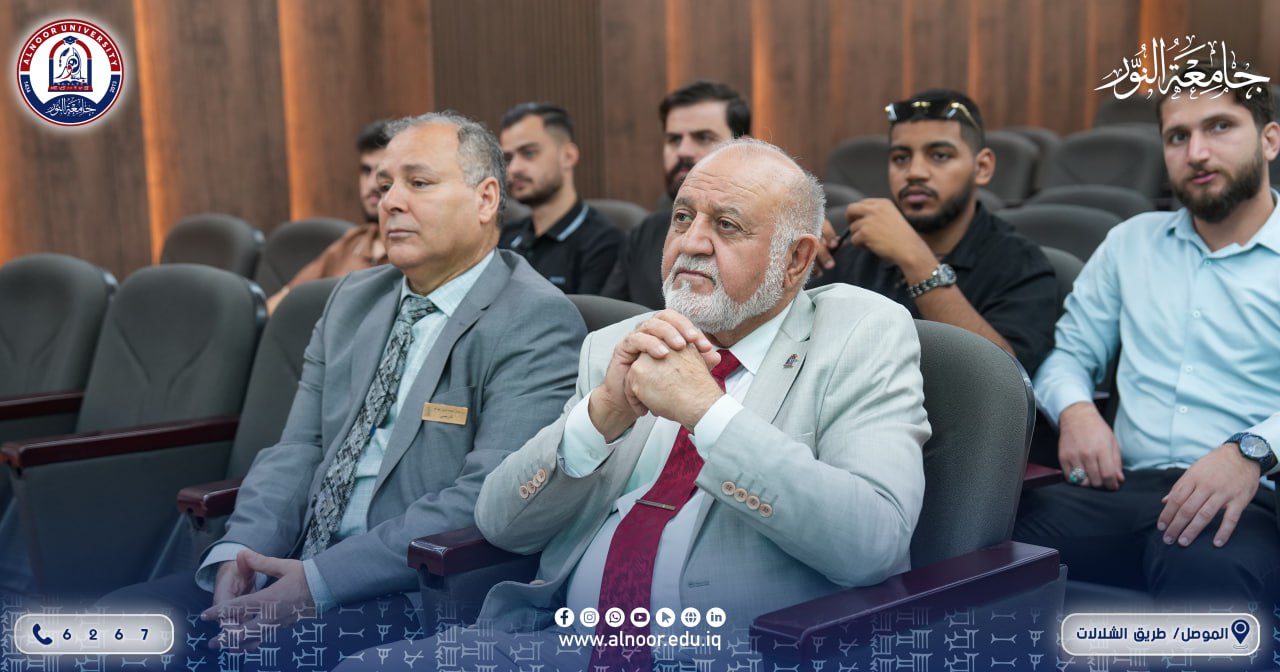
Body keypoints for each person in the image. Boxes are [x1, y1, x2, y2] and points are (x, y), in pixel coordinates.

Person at [340, 137, 929, 671]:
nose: (691, 242)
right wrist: (600, 417)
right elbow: (503, 524)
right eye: (683, 217)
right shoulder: (617, 346)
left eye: (727, 225)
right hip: (563, 644)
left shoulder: (859, 333)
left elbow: (872, 545)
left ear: (796, 259)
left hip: (735, 651)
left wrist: (708, 414)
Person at [101, 111, 586, 671]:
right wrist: (240, 554)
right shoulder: (353, 299)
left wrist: (317, 582)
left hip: (414, 592)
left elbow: (485, 499)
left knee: (262, 660)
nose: (390, 201)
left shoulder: (534, 319)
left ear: (485, 199)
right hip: (288, 562)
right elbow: (298, 448)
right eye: (385, 185)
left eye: (418, 183)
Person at [1015, 65, 1280, 605]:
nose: (1197, 153)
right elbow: (1068, 355)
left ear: (1269, 140)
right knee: (979, 538)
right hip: (1121, 488)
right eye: (1178, 136)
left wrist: (1251, 450)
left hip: (1249, 493)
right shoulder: (1130, 243)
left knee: (1203, 574)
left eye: (1220, 127)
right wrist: (1077, 412)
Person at [812, 89, 1057, 376]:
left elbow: (1005, 379)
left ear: (982, 167)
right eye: (901, 158)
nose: (915, 172)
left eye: (940, 155)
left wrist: (915, 260)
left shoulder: (1021, 263)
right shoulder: (856, 249)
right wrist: (795, 268)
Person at [601, 81, 842, 309]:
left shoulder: (793, 240)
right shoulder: (645, 233)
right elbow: (607, 321)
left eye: (703, 137)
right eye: (674, 139)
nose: (683, 151)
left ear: (745, 145)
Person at [265, 119, 393, 314]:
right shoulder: (352, 241)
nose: (371, 185)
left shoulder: (412, 253)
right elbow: (285, 300)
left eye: (382, 174)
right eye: (366, 171)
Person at [497, 102, 622, 294]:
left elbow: (589, 314)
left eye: (529, 153)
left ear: (568, 156)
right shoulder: (506, 236)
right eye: (508, 158)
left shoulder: (603, 243)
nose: (513, 169)